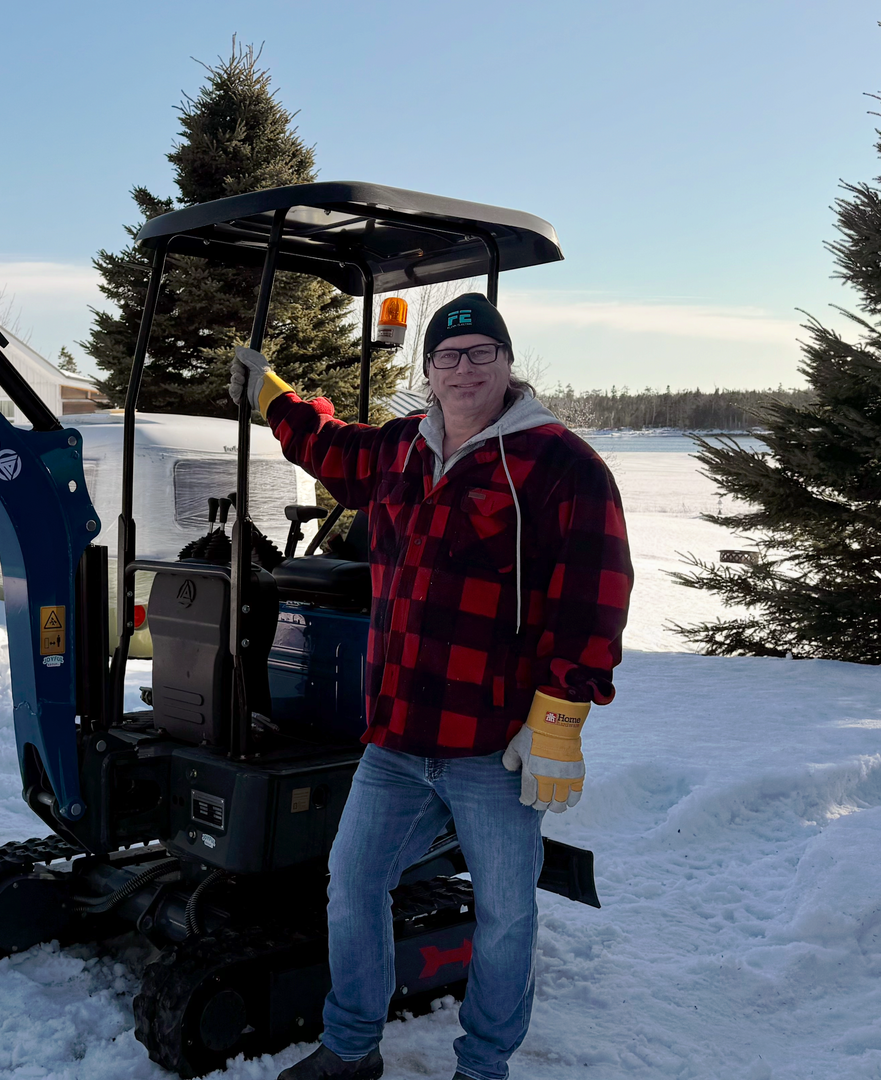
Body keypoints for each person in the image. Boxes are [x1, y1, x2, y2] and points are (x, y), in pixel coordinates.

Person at [229, 293, 632, 1080]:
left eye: (482, 352)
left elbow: (596, 595)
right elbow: (329, 446)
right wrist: (276, 399)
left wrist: (557, 717)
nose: (464, 368)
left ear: (509, 364)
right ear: (430, 370)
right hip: (396, 737)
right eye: (449, 356)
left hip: (493, 747)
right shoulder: (401, 450)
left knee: (507, 913)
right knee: (352, 886)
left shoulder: (561, 465)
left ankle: (483, 1067)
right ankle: (351, 1049)